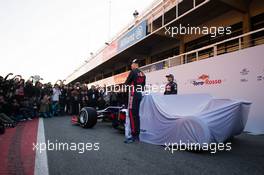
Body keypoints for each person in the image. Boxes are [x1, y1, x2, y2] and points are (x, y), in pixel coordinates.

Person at [124, 59, 146, 143]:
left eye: (131, 64)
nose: (131, 66)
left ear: (135, 64)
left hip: (133, 95)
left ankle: (134, 135)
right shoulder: (143, 73)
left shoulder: (133, 72)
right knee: (136, 115)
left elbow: (126, 84)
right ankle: (137, 134)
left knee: (132, 114)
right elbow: (143, 86)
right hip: (139, 94)